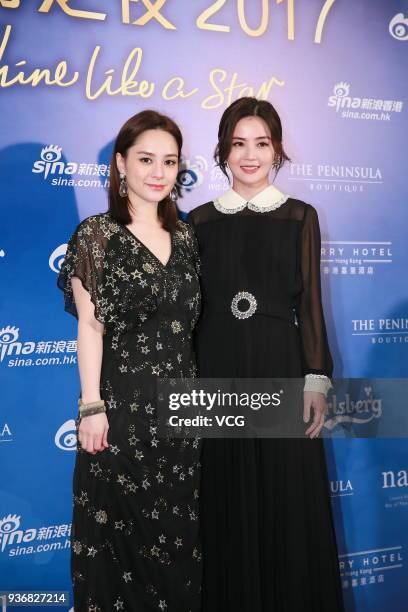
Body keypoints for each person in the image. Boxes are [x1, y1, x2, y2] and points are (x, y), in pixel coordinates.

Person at [187, 97, 344, 611]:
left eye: (261, 143)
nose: (249, 155)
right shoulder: (199, 221)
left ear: (276, 149)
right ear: (223, 150)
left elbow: (311, 305)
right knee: (224, 499)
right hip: (217, 370)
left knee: (285, 499)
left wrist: (316, 378)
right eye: (238, 144)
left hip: (281, 367)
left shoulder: (300, 216)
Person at [58, 110, 202, 612]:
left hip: (183, 423)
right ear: (121, 164)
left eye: (169, 161)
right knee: (119, 559)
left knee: (178, 557)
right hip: (121, 419)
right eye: (145, 159)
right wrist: (92, 406)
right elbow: (89, 327)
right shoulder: (96, 236)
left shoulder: (186, 239)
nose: (158, 172)